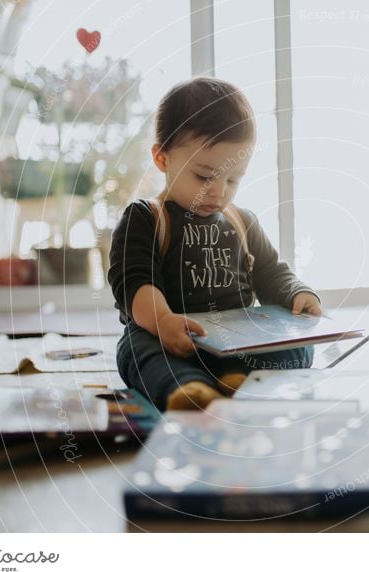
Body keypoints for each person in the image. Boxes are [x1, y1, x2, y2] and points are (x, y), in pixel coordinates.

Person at [108, 77, 321, 411]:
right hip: (171, 339)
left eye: (233, 179)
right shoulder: (147, 217)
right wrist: (162, 321)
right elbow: (135, 282)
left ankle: (240, 381)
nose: (220, 191)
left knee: (301, 345)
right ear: (163, 159)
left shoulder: (242, 221)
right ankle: (190, 390)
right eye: (205, 176)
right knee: (137, 348)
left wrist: (297, 294)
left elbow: (271, 273)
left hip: (239, 341)